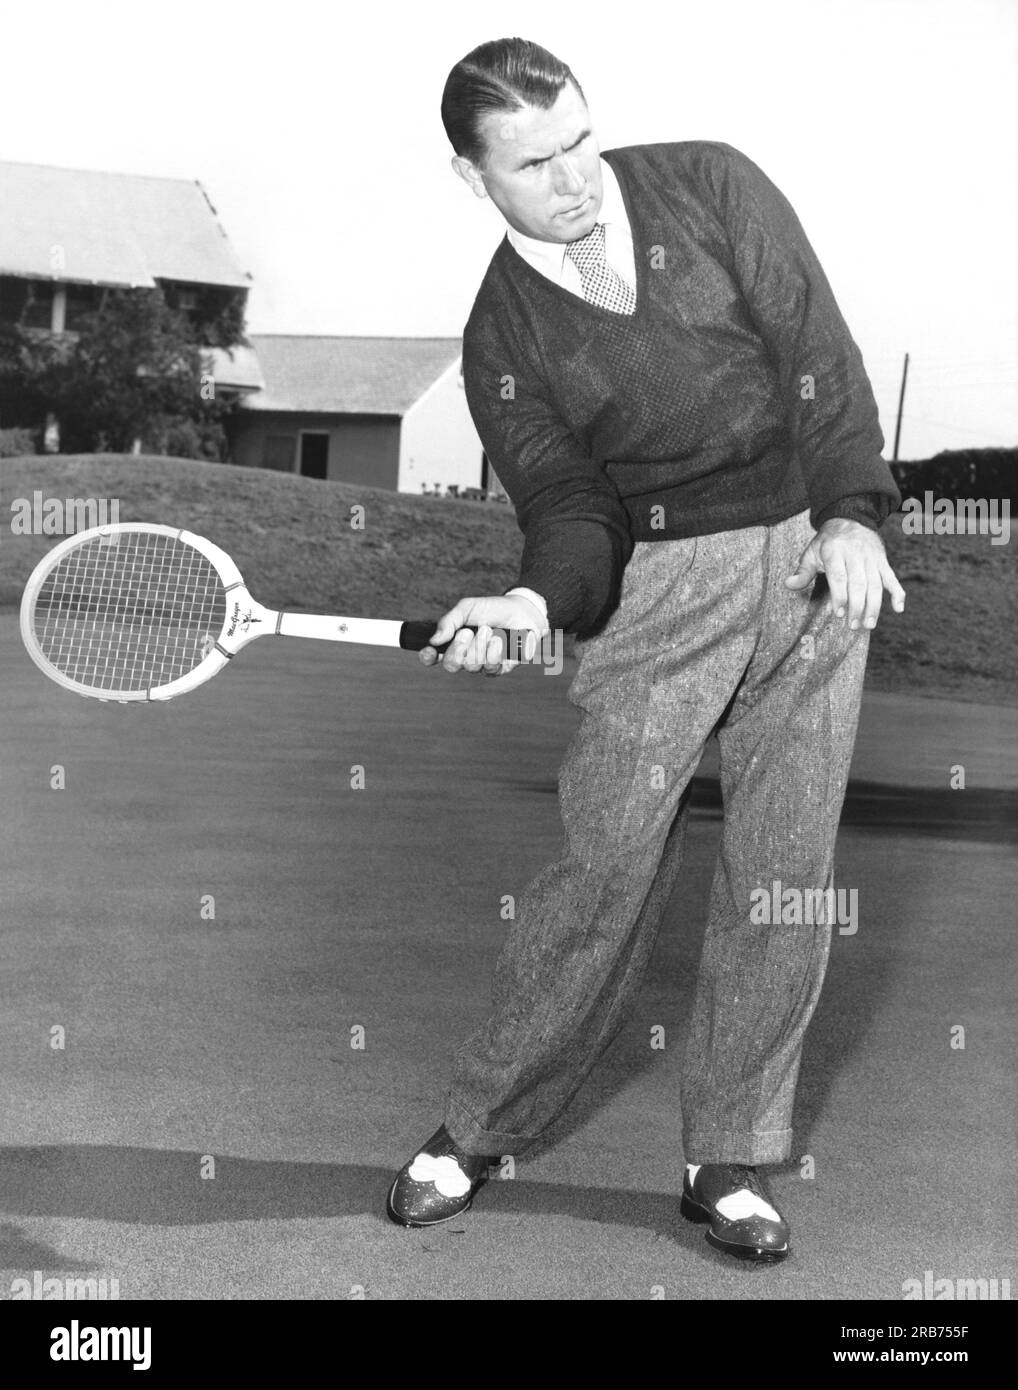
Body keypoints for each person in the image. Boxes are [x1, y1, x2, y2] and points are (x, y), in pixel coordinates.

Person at [386, 37, 905, 1262]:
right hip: (655, 587)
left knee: (782, 873)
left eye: (577, 140)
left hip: (808, 564)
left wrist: (852, 511)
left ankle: (726, 1158)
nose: (572, 178)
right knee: (602, 866)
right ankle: (481, 1124)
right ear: (472, 175)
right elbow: (571, 508)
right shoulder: (500, 336)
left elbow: (816, 352)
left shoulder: (712, 182)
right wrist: (534, 600)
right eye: (532, 163)